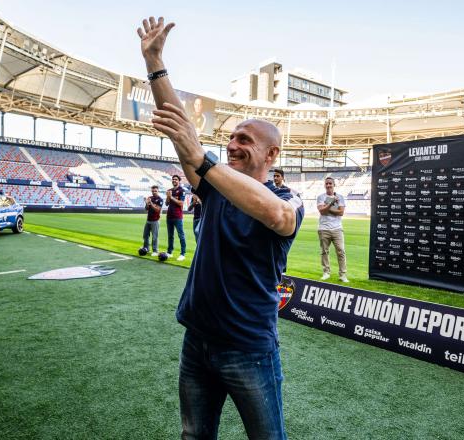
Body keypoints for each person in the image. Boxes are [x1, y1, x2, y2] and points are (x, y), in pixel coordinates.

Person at [138, 17, 304, 439]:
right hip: (197, 340)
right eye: (230, 138)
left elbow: (275, 217)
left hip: (248, 349)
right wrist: (155, 62)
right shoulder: (212, 186)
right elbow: (182, 134)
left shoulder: (287, 201)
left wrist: (204, 159)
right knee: (194, 436)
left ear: (272, 154)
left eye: (244, 140)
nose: (232, 144)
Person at [317, 176, 348, 282]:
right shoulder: (320, 197)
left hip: (337, 228)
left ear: (334, 185)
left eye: (330, 183)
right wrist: (331, 203)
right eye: (327, 183)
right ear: (324, 185)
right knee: (324, 251)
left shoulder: (340, 197)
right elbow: (322, 212)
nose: (328, 185)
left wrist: (327, 207)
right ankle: (326, 272)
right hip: (323, 228)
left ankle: (342, 275)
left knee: (341, 251)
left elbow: (341, 212)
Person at [166, 174, 187, 261]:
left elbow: (181, 203)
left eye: (176, 179)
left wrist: (171, 197)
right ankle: (170, 252)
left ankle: (182, 253)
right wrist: (168, 197)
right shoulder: (169, 190)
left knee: (181, 235)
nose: (174, 180)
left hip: (178, 216)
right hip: (169, 216)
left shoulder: (182, 190)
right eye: (173, 179)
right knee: (170, 235)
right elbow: (166, 203)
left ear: (179, 181)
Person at [143, 185, 163, 256]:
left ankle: (155, 250)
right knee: (145, 235)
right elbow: (146, 209)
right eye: (153, 191)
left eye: (155, 191)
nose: (154, 192)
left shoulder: (160, 199)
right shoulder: (150, 198)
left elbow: (157, 210)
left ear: (158, 191)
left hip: (155, 220)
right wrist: (146, 203)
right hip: (148, 219)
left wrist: (150, 203)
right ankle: (146, 248)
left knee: (154, 236)